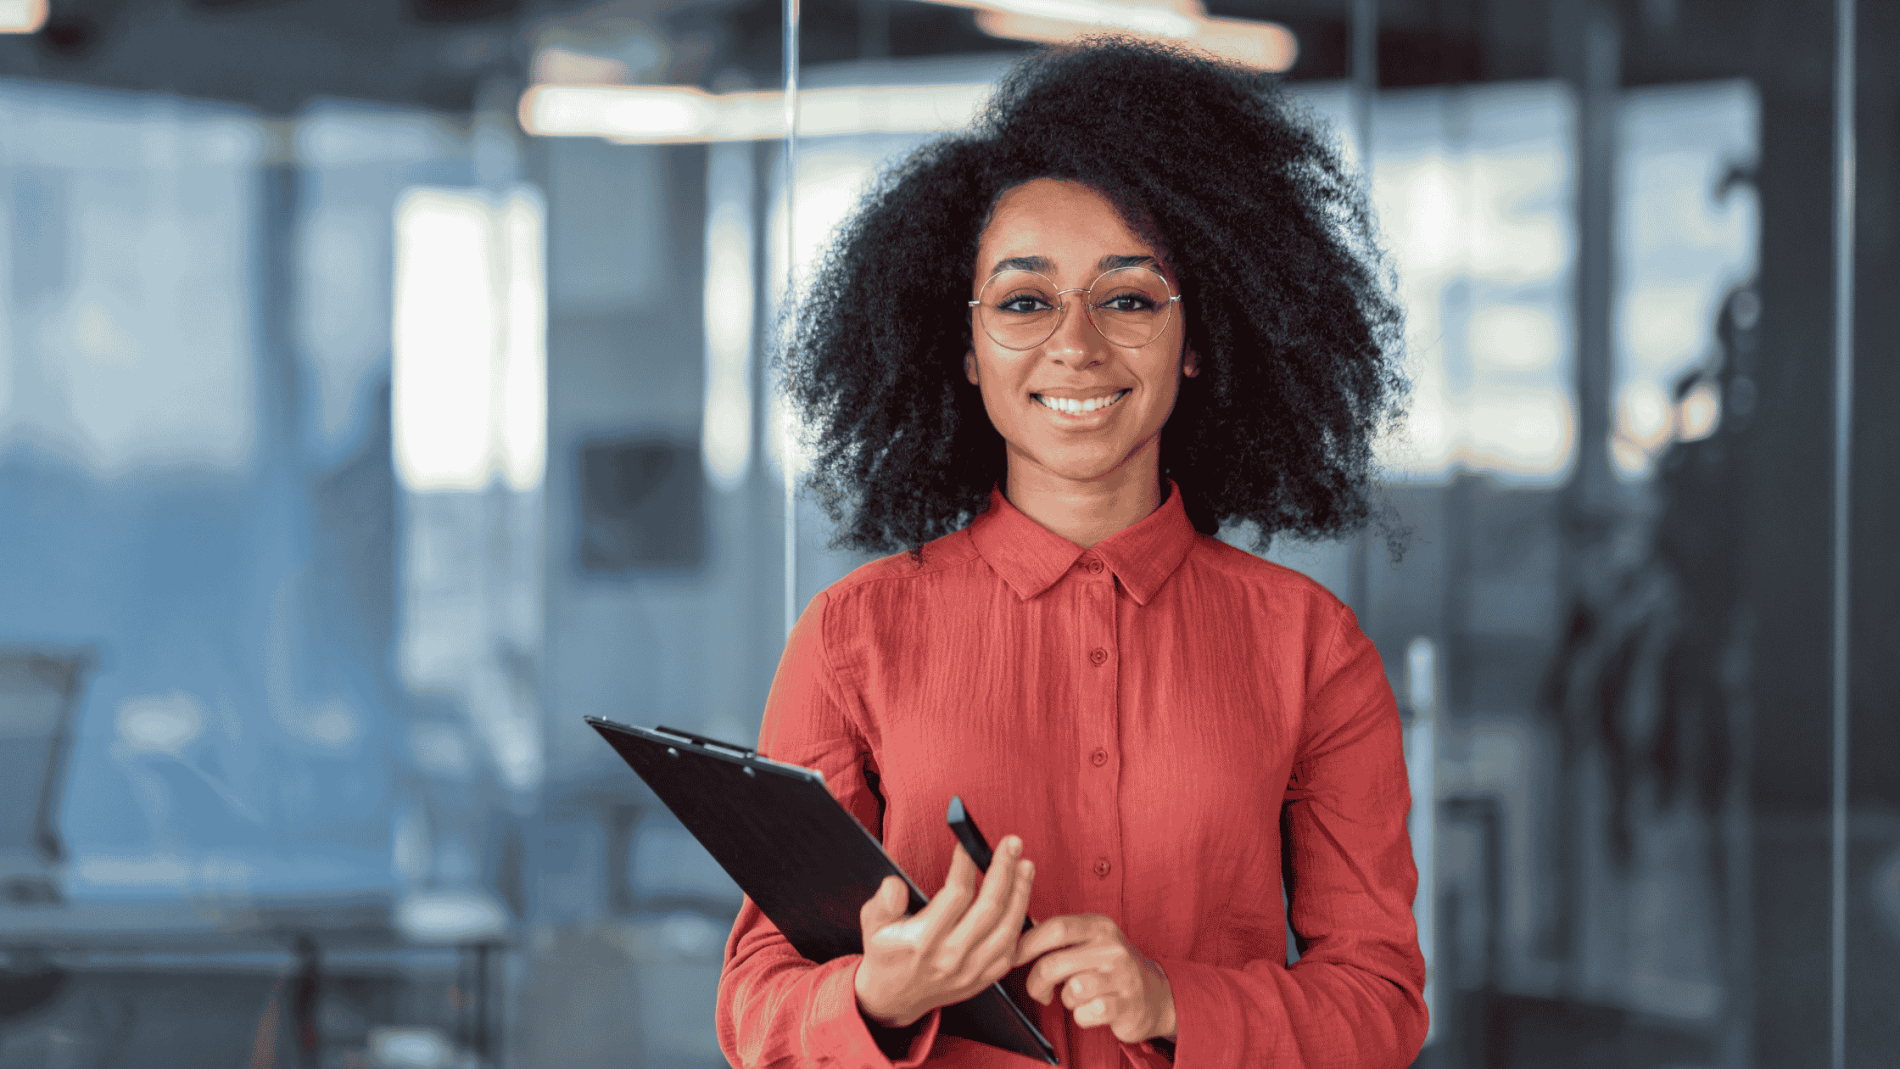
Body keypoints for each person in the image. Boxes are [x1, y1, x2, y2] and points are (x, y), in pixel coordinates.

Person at [716, 34, 1425, 1069]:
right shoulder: (851, 636)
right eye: (1023, 301)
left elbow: (1379, 1006)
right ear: (961, 348)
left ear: (1195, 342)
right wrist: (882, 993)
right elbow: (753, 1008)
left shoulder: (1310, 647)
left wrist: (1173, 1002)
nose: (1077, 345)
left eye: (1129, 298)